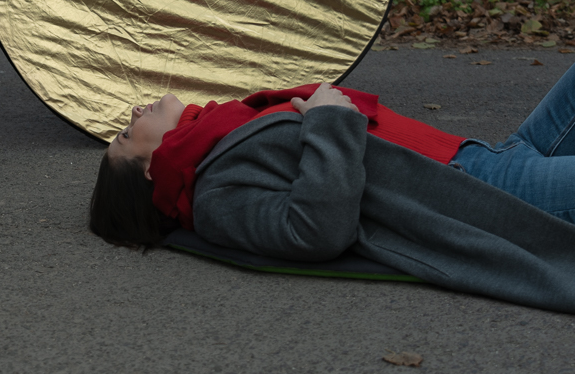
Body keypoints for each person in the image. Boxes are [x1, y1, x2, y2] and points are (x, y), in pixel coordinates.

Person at [89, 70, 575, 312]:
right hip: (490, 191)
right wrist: (329, 120)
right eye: (126, 137)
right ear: (150, 171)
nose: (133, 114)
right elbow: (315, 229)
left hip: (489, 154)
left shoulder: (215, 134)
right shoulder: (214, 196)